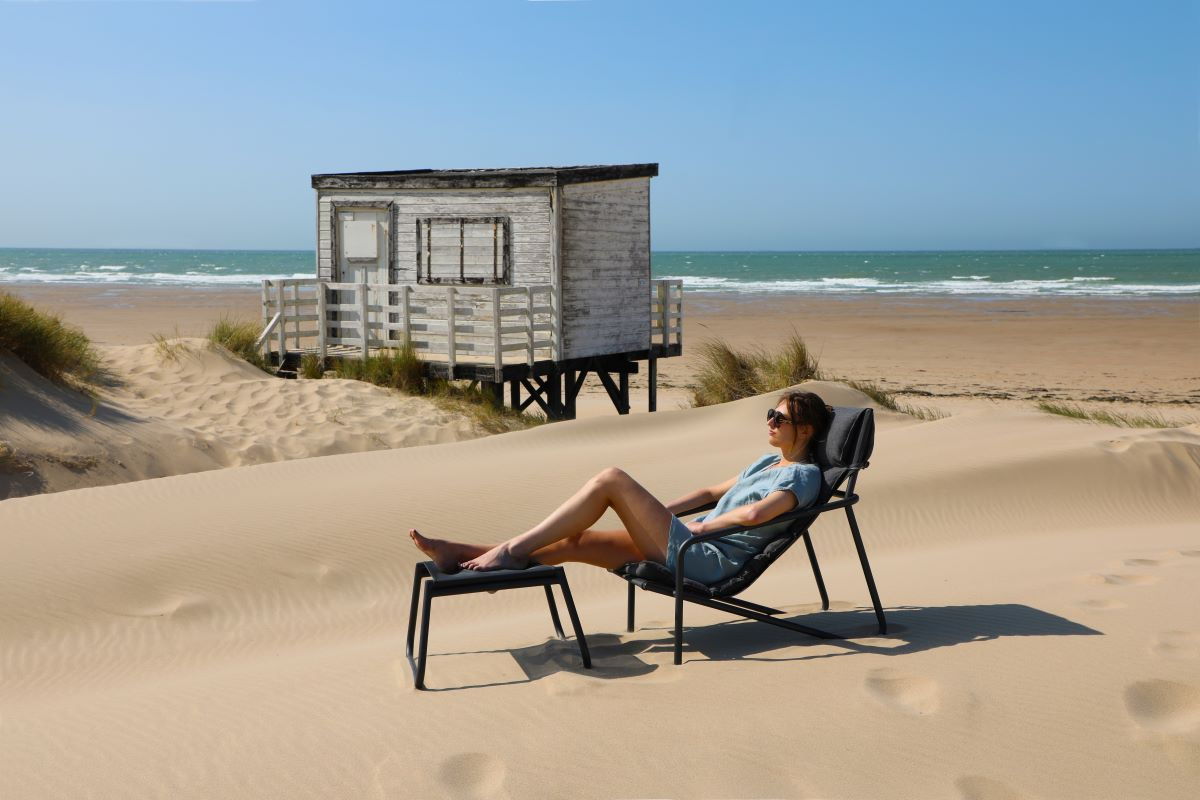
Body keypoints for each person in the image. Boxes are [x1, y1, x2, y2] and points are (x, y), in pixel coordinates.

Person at [410, 390, 831, 585]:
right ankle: (463, 553)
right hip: (688, 541)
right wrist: (654, 514)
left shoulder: (803, 475)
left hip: (706, 558)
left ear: (806, 430)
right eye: (769, 415)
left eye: (781, 419)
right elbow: (707, 493)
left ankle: (507, 551)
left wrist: (700, 529)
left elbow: (759, 514)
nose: (770, 423)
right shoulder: (767, 462)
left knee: (611, 477)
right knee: (575, 541)